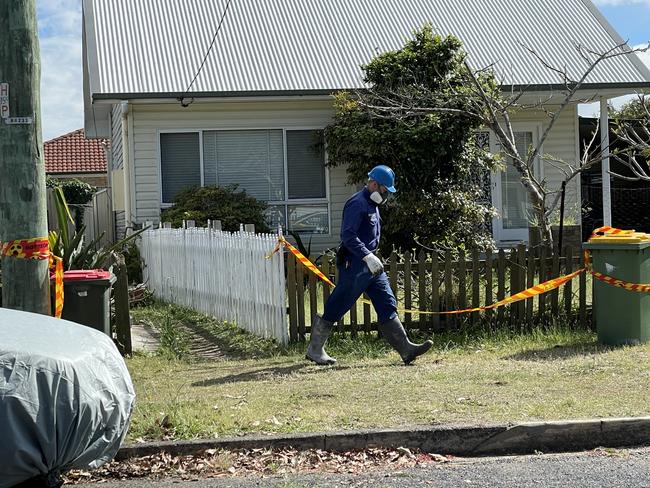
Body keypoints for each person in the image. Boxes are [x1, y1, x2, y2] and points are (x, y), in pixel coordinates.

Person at [306, 165, 433, 366]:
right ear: (373, 184)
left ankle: (406, 349)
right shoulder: (357, 204)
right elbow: (348, 235)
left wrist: (371, 257)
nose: (385, 195)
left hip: (372, 265)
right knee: (339, 303)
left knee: (387, 302)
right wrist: (366, 255)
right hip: (356, 264)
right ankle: (315, 349)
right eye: (384, 189)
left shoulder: (373, 205)